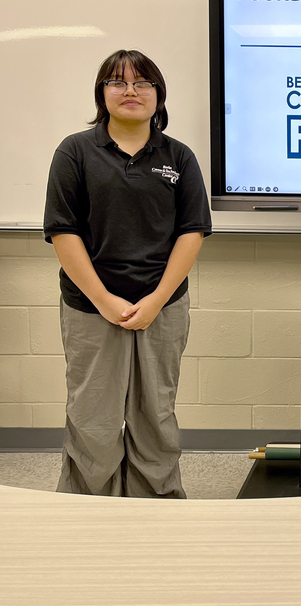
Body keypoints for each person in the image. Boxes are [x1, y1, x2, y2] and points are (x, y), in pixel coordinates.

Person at [43, 50, 212, 498]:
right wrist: (103, 300)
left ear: (159, 95)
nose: (131, 91)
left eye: (143, 83)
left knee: (154, 413)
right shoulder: (75, 152)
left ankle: (156, 505)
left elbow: (192, 232)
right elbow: (63, 231)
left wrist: (155, 301)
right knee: (93, 414)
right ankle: (87, 509)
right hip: (90, 307)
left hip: (163, 306)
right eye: (117, 82)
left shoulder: (179, 156)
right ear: (102, 94)